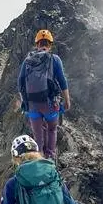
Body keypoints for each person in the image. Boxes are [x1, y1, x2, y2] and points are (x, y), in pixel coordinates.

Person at [17, 29, 70, 160]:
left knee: (38, 137)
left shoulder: (27, 61)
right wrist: (67, 101)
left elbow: (20, 82)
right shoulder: (54, 59)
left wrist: (25, 102)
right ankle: (50, 158)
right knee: (52, 130)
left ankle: (39, 160)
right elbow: (62, 81)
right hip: (50, 104)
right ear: (50, 44)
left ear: (37, 44)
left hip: (33, 105)